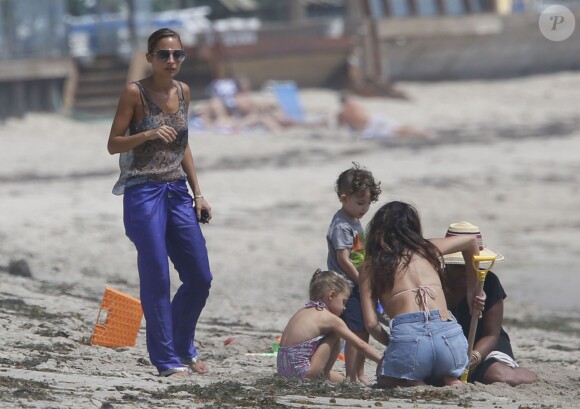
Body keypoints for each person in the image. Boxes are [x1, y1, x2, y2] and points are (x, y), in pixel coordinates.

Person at [107, 28, 213, 377]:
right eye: (164, 55)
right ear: (149, 57)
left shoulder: (183, 92)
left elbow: (184, 145)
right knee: (156, 277)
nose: (171, 61)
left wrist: (198, 193)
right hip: (143, 193)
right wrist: (149, 133)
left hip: (178, 192)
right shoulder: (134, 93)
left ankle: (183, 346)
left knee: (199, 276)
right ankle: (166, 359)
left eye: (177, 55)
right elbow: (114, 144)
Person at [359, 201, 483, 387]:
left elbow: (371, 324)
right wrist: (472, 290)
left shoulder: (371, 265)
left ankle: (416, 383)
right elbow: (471, 241)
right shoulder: (428, 248)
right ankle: (451, 379)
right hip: (449, 339)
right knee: (446, 372)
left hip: (410, 340)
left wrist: (392, 344)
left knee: (386, 375)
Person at [443, 222, 538, 386]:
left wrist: (473, 358)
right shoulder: (435, 281)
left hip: (484, 347)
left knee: (500, 377)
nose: (467, 271)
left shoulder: (488, 282)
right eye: (459, 266)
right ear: (447, 263)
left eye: (471, 265)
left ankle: (523, 373)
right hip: (444, 346)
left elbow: (491, 335)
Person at [326, 163, 381, 385]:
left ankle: (359, 373)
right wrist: (361, 281)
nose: (364, 208)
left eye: (368, 203)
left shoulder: (354, 221)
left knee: (363, 331)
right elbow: (343, 258)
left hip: (357, 285)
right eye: (360, 203)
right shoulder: (342, 225)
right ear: (343, 198)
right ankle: (351, 376)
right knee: (354, 332)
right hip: (347, 287)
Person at [277, 269, 382, 382]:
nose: (344, 308)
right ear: (331, 295)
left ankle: (327, 376)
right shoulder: (330, 319)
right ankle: (323, 375)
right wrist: (383, 361)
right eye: (343, 302)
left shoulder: (301, 312)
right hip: (305, 374)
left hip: (283, 372)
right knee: (336, 333)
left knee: (342, 380)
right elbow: (360, 345)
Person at [337, 92, 431, 140]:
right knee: (397, 130)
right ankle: (422, 133)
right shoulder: (354, 105)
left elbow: (347, 126)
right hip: (373, 122)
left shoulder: (346, 111)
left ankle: (422, 134)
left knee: (396, 130)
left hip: (372, 125)